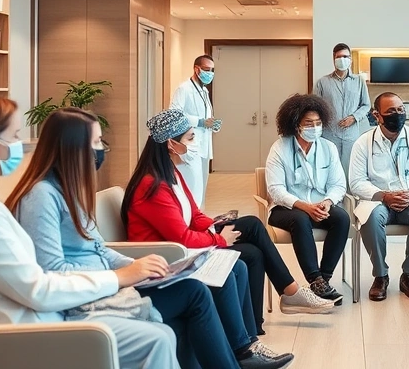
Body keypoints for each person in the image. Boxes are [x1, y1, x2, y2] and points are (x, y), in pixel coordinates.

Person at [5, 107, 293, 369]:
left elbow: (99, 249)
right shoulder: (40, 197)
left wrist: (142, 267)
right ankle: (243, 351)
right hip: (88, 299)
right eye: (95, 142)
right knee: (198, 291)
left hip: (112, 282)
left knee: (220, 272)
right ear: (72, 147)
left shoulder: (69, 191)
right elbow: (52, 271)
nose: (102, 149)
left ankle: (245, 348)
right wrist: (123, 275)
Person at [0, 92, 179, 369]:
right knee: (156, 338)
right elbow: (38, 290)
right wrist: (117, 277)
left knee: (160, 329)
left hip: (39, 321)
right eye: (14, 136)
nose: (20, 146)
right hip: (33, 335)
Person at [122, 109, 334, 335]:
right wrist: (218, 238)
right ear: (170, 144)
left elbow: (193, 214)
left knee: (253, 251)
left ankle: (253, 329)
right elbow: (181, 238)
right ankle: (289, 294)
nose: (195, 144)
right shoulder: (152, 186)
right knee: (252, 226)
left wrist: (215, 223)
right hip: (171, 256)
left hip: (182, 246)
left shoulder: (170, 173)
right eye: (190, 138)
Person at [348, 92, 409, 302]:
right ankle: (380, 276)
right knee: (371, 217)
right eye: (390, 112)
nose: (397, 115)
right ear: (376, 115)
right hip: (378, 200)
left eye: (400, 110)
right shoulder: (363, 143)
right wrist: (383, 196)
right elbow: (356, 182)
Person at [265, 94, 351, 304]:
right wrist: (304, 206)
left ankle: (323, 281)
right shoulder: (280, 148)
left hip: (320, 205)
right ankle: (315, 278)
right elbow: (275, 189)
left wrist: (327, 202)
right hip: (286, 208)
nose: (315, 127)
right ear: (296, 125)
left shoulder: (328, 148)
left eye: (318, 123)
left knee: (341, 218)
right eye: (309, 124)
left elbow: (338, 184)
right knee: (301, 219)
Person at [170, 54, 220, 208]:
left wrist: (212, 124)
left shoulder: (204, 91)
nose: (209, 73)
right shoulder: (184, 88)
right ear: (196, 69)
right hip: (190, 146)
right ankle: (189, 221)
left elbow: (205, 116)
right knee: (192, 187)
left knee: (201, 187)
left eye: (212, 70)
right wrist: (199, 122)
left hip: (203, 145)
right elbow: (174, 113)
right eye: (206, 69)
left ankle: (199, 219)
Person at [312, 43, 371, 173]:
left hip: (351, 135)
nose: (342, 59)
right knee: (330, 168)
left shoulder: (359, 81)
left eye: (346, 56)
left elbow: (366, 105)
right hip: (329, 134)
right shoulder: (323, 82)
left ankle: (349, 193)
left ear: (350, 59)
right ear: (334, 59)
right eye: (339, 57)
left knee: (350, 168)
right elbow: (314, 107)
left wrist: (354, 118)